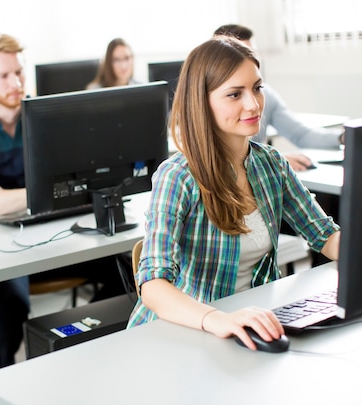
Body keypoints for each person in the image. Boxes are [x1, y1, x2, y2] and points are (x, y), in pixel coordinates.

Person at [0, 32, 126, 405]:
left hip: (58, 234)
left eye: (19, 73)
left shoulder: (47, 116)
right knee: (11, 304)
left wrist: (6, 194)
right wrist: (40, 192)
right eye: (3, 76)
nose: (15, 83)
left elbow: (80, 183)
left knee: (124, 272)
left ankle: (76, 353)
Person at [126, 37, 340, 351]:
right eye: (234, 94)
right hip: (182, 335)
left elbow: (324, 235)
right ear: (202, 101)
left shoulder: (271, 164)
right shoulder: (179, 177)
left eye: (257, 88)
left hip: (246, 328)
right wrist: (219, 319)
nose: (253, 104)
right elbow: (153, 286)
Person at [213, 24, 344, 172]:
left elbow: (299, 134)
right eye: (236, 55)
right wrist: (270, 160)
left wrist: (343, 138)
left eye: (250, 53)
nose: (252, 105)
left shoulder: (265, 95)